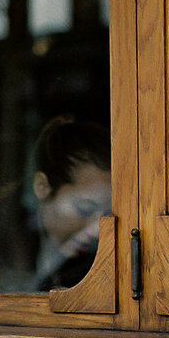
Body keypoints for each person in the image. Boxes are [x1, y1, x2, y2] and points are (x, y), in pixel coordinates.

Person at [30, 116, 112, 290]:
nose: (96, 229)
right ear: (42, 186)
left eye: (108, 213)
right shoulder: (12, 245)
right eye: (84, 209)